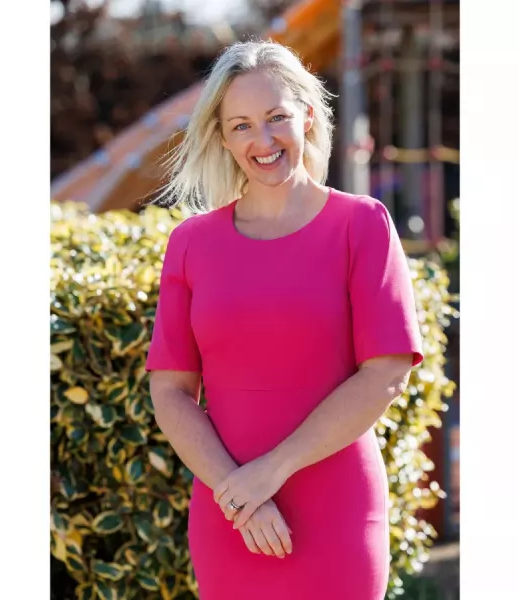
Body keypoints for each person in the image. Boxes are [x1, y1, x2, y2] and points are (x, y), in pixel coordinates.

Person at [146, 40, 423, 600]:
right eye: (242, 125)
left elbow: (386, 373)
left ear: (309, 116)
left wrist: (267, 474)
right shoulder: (190, 244)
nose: (263, 140)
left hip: (336, 510)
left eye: (277, 118)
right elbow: (171, 390)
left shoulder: (362, 225)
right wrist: (238, 493)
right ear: (222, 138)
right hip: (230, 514)